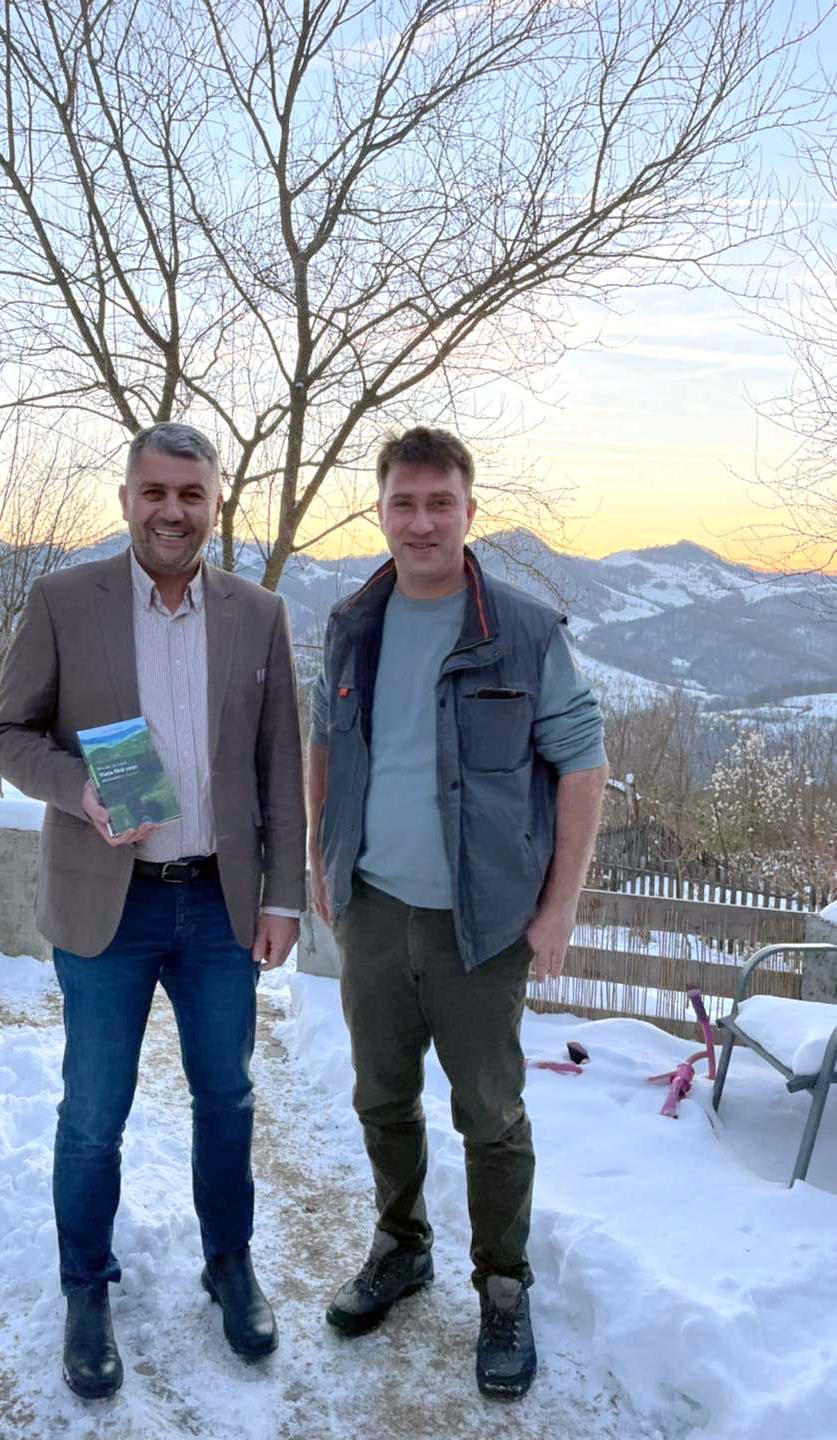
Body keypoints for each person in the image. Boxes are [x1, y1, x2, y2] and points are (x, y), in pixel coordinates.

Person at [0, 422, 305, 1399]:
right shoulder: (63, 600)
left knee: (227, 1098)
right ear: (126, 499)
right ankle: (86, 1290)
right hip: (106, 907)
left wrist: (283, 895)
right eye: (155, 492)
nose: (172, 511)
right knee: (92, 1114)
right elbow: (4, 731)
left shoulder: (258, 614)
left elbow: (281, 766)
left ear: (216, 504)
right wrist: (79, 788)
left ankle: (229, 1264)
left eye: (191, 494)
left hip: (218, 904)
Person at [307, 426, 608, 1400]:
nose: (422, 521)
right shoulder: (353, 625)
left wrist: (559, 905)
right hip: (372, 909)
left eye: (440, 502)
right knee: (380, 1096)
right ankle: (401, 1246)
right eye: (404, 502)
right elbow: (325, 740)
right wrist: (322, 855)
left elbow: (582, 763)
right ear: (380, 512)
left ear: (470, 512)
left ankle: (503, 1284)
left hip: (481, 926)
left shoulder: (523, 630)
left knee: (489, 1111)